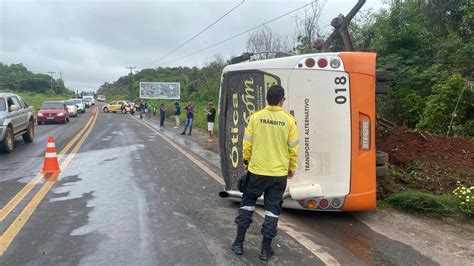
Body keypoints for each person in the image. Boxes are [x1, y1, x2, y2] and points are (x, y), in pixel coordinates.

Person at [231, 85, 299, 261]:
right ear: (281, 100)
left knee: (247, 205)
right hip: (278, 175)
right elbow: (293, 148)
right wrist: (291, 167)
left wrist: (246, 161)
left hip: (256, 171)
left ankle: (238, 243)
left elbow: (247, 143)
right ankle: (265, 250)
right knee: (272, 211)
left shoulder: (256, 117)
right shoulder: (289, 120)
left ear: (267, 99)